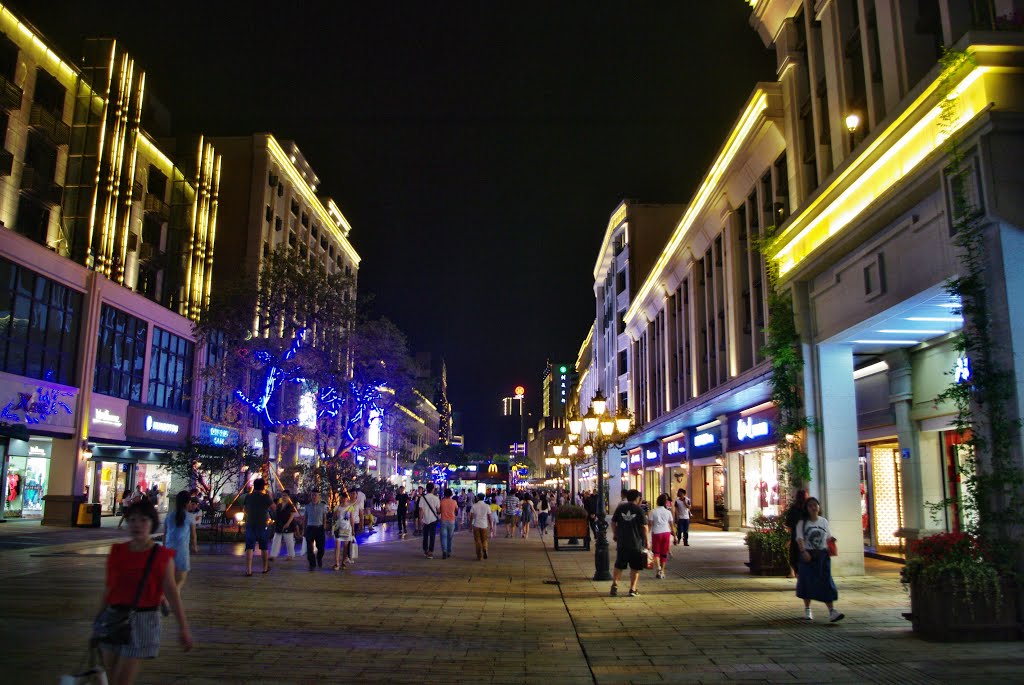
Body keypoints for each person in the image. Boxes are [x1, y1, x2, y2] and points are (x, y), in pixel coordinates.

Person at [95, 498, 192, 684]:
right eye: (132, 520)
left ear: (152, 523)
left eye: (143, 520)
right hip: (113, 618)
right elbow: (109, 589)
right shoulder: (117, 551)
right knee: (106, 679)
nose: (137, 525)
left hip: (142, 621)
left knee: (122, 681)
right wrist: (97, 621)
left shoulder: (162, 557)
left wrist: (183, 628)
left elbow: (172, 593)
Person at [795, 497, 844, 622]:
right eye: (810, 505)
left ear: (819, 507)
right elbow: (799, 538)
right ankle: (807, 609)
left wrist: (832, 542)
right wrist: (803, 551)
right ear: (806, 508)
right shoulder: (802, 523)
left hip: (822, 555)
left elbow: (828, 536)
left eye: (815, 505)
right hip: (808, 555)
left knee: (826, 582)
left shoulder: (824, 521)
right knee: (807, 582)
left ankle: (832, 611)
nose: (813, 507)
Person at [610, 489, 649, 597]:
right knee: (635, 567)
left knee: (619, 565)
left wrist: (615, 533)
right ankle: (632, 589)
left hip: (622, 542)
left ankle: (614, 585)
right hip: (635, 543)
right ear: (637, 498)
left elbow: (613, 522)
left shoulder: (620, 508)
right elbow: (644, 527)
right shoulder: (639, 510)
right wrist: (647, 541)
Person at [162, 491, 197, 597]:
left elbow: (165, 533)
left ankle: (164, 598)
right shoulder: (190, 517)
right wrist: (194, 546)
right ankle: (171, 603)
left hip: (168, 550)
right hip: (182, 552)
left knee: (169, 581)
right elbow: (193, 535)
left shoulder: (169, 516)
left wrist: (164, 547)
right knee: (179, 582)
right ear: (187, 502)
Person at [242, 478, 274, 577]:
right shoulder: (266, 497)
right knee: (264, 547)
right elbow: (274, 507)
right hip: (262, 524)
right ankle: (264, 568)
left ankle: (249, 570)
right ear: (263, 486)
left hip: (250, 523)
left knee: (249, 547)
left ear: (254, 486)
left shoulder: (248, 497)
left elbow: (245, 509)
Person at [784, 489, 809, 577]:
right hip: (807, 538)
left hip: (796, 538)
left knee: (796, 559)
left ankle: (798, 577)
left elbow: (789, 525)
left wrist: (791, 537)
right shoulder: (807, 509)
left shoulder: (793, 509)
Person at [649, 494, 674, 579]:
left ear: (657, 501)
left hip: (656, 533)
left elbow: (650, 524)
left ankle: (658, 569)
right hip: (666, 533)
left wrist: (647, 536)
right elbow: (671, 525)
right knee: (664, 553)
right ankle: (662, 571)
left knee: (656, 553)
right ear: (665, 502)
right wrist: (674, 536)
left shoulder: (653, 511)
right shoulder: (668, 512)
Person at [303, 491, 328, 571]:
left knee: (321, 547)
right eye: (312, 495)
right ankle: (312, 563)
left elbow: (324, 517)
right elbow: (305, 518)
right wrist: (304, 529)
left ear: (318, 496)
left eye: (315, 495)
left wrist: (324, 526)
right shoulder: (307, 506)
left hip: (319, 528)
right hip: (310, 528)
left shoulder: (323, 506)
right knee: (309, 547)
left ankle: (319, 558)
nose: (314, 497)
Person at [333, 491, 357, 570]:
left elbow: (352, 519)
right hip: (338, 528)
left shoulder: (350, 508)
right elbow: (334, 519)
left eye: (344, 498)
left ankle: (343, 562)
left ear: (347, 498)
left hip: (347, 528)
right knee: (337, 546)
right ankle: (337, 563)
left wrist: (353, 530)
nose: (343, 499)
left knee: (345, 546)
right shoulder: (337, 507)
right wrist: (336, 514)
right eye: (341, 498)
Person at [270, 491, 298, 561]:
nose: (284, 497)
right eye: (283, 495)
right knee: (276, 539)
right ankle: (273, 555)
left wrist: (288, 523)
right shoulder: (279, 505)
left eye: (285, 495)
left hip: (288, 524)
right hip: (279, 524)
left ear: (288, 497)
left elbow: (292, 515)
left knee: (289, 540)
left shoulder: (290, 505)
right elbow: (276, 514)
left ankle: (291, 555)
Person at [419, 483, 441, 558]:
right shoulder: (436, 498)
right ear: (432, 489)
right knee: (432, 536)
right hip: (433, 519)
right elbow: (438, 510)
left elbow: (421, 510)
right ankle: (430, 552)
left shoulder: (422, 498)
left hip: (425, 519)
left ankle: (425, 551)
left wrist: (420, 519)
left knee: (425, 536)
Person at [438, 488, 458, 559]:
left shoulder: (442, 502)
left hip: (443, 520)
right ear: (451, 494)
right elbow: (457, 509)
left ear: (444, 494)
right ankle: (449, 551)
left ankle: (444, 551)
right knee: (450, 537)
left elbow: (438, 511)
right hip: (452, 520)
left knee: (443, 537)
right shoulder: (454, 502)